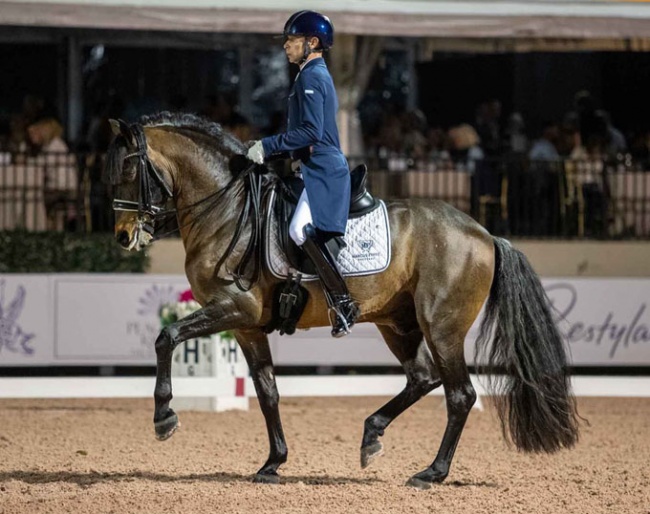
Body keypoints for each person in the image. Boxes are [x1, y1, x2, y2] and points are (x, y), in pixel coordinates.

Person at [245, 10, 359, 338]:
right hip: (309, 167)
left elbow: (310, 131)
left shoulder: (312, 76)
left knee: (298, 230)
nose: (286, 46)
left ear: (312, 43)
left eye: (292, 40)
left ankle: (343, 302)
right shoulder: (309, 74)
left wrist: (267, 146)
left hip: (322, 170)